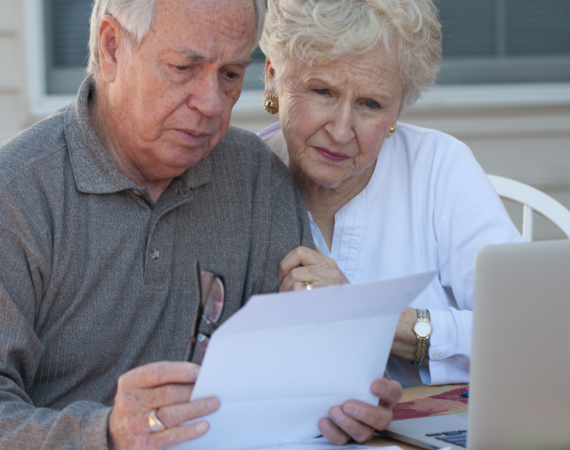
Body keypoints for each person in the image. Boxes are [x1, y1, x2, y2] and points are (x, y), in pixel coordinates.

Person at [0, 0, 402, 448]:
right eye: (184, 67)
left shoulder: (253, 177)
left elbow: (297, 372)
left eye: (230, 75)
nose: (211, 103)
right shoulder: (16, 196)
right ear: (112, 48)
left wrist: (349, 386)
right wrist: (108, 434)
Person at [259, 0, 524, 393]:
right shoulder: (237, 185)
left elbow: (527, 328)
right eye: (322, 91)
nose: (341, 129)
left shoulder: (438, 167)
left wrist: (373, 318)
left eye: (371, 104)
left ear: (399, 108)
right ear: (273, 77)